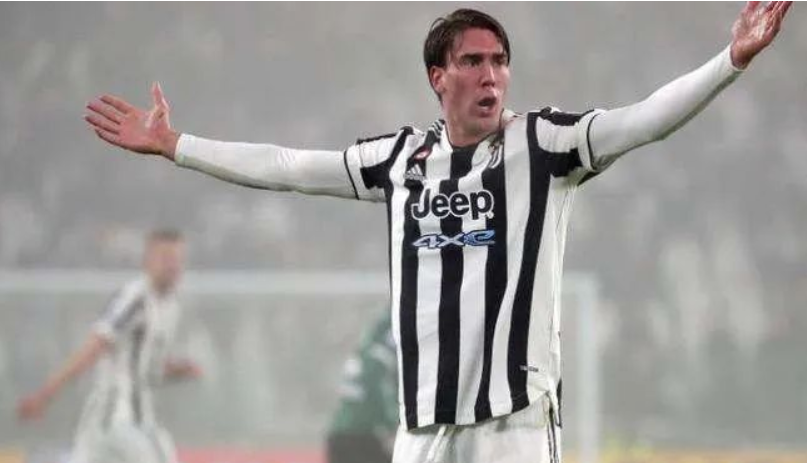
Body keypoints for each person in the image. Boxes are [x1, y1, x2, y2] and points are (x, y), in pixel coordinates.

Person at [83, 4, 791, 462]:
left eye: (499, 61)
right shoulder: (399, 159)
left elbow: (643, 120)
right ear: (437, 76)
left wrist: (727, 63)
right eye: (472, 61)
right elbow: (289, 167)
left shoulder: (545, 144)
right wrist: (177, 145)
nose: (491, 75)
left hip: (512, 426)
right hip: (421, 428)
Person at [17, 230, 201, 463]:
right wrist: (45, 395)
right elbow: (93, 348)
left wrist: (177, 370)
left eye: (178, 259)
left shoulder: (170, 305)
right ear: (147, 261)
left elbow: (143, 368)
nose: (173, 266)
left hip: (129, 417)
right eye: (165, 258)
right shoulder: (135, 298)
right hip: (117, 417)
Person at [327, 311, 398, 463]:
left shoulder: (363, 354)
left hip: (339, 435)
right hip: (360, 438)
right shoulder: (380, 360)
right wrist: (394, 423)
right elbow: (380, 394)